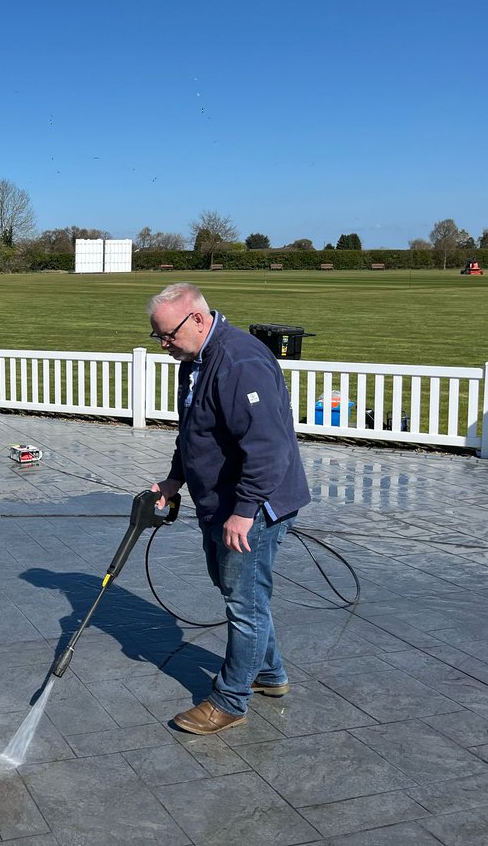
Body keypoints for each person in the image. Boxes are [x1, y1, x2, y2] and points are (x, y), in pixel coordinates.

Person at [147, 283, 310, 735]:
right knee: (242, 594)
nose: (164, 345)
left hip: (253, 507)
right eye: (157, 337)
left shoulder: (240, 361)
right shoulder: (195, 359)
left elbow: (269, 448)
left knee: (243, 603)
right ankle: (270, 675)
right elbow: (194, 431)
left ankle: (230, 700)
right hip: (222, 504)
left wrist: (244, 510)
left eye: (168, 335)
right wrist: (175, 478)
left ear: (197, 318)